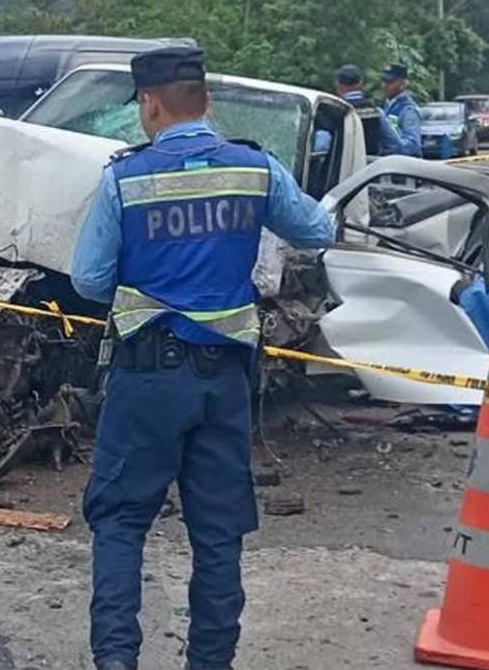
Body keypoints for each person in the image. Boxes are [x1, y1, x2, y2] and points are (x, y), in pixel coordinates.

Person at [70, 45, 333, 670]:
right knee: (217, 534)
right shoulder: (255, 168)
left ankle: (116, 662)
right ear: (206, 101)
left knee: (120, 522)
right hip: (225, 383)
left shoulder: (123, 179)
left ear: (149, 103)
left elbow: (88, 279)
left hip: (147, 378)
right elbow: (318, 232)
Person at [334, 64, 404, 156]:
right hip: (371, 167)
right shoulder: (376, 111)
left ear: (338, 84)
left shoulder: (334, 110)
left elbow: (322, 146)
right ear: (360, 83)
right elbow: (395, 145)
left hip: (339, 167)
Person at [381, 63, 422, 157]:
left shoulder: (408, 109)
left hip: (404, 164)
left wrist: (393, 143)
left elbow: (413, 145)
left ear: (402, 83)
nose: (385, 85)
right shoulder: (386, 106)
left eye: (390, 82)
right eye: (384, 81)